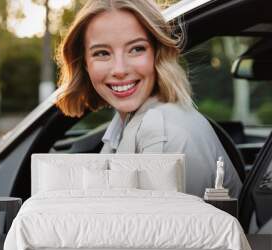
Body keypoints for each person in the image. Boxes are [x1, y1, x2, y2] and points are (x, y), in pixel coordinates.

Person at [54, 0, 242, 198]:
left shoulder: (168, 133)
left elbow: (162, 227)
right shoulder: (131, 120)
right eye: (102, 53)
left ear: (157, 52)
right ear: (84, 63)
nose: (119, 69)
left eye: (136, 49)